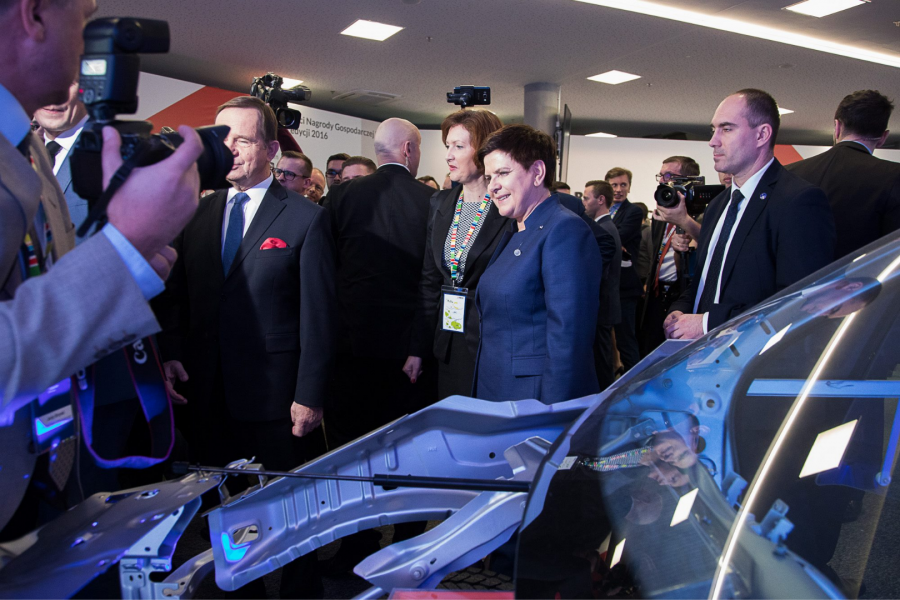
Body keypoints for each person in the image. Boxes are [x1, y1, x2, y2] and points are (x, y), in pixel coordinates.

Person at [0, 0, 202, 421]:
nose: (85, 43)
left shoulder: (26, 146)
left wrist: (132, 264)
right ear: (34, 16)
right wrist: (124, 253)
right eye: (85, 18)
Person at [665, 89, 836, 339]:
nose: (713, 141)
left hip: (756, 356)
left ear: (762, 134)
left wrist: (708, 324)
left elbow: (802, 301)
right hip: (703, 355)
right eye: (713, 129)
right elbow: (706, 279)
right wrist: (680, 309)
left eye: (726, 129)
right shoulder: (717, 206)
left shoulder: (798, 201)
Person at [325, 117, 434, 445]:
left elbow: (325, 270)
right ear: (408, 149)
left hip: (348, 347)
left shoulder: (340, 196)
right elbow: (432, 280)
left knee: (348, 447)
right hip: (408, 355)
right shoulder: (433, 201)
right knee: (403, 445)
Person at [474, 125, 601, 403]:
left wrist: (550, 416)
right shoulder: (517, 230)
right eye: (489, 177)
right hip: (500, 389)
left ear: (538, 172)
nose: (492, 186)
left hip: (533, 399)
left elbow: (568, 339)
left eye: (503, 173)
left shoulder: (564, 229)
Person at [405, 109, 508, 399]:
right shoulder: (440, 202)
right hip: (448, 340)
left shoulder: (507, 206)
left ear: (485, 151)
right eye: (447, 146)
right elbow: (430, 281)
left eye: (459, 146)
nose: (449, 155)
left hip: (492, 344)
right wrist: (418, 348)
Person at [787, 89, 900, 260]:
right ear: (883, 137)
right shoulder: (894, 176)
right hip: (861, 276)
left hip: (799, 276)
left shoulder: (789, 173)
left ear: (838, 127)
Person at [639, 156, 701, 356]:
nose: (662, 181)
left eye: (669, 176)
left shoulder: (700, 215)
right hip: (657, 294)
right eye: (661, 175)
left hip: (683, 295)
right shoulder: (660, 212)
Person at [33, 80, 90, 241]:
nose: (53, 95)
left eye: (67, 81)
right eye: (40, 79)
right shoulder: (15, 152)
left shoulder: (119, 155)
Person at [582, 180, 621, 390]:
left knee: (603, 362)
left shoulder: (604, 229)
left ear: (601, 200)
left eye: (586, 198)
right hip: (605, 303)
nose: (583, 203)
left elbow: (601, 272)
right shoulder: (606, 226)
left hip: (603, 303)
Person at [605, 167, 643, 375]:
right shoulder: (603, 209)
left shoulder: (633, 212)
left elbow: (615, 238)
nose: (618, 189)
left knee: (625, 339)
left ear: (629, 187)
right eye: (614, 185)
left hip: (625, 287)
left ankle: (635, 382)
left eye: (623, 185)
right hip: (607, 283)